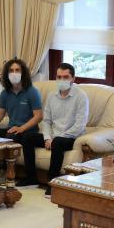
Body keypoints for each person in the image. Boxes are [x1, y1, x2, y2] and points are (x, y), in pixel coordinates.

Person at [26, 63, 89, 196]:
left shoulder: (81, 96)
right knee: (27, 137)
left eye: (66, 77)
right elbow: (47, 121)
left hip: (71, 137)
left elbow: (79, 126)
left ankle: (52, 183)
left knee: (59, 142)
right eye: (59, 77)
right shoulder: (51, 96)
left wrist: (55, 139)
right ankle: (31, 178)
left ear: (73, 78)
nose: (62, 80)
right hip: (53, 136)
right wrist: (47, 138)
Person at [0, 58, 43, 185]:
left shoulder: (32, 92)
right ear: (7, 74)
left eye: (17, 70)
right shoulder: (5, 93)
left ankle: (4, 170)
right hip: (11, 130)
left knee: (10, 135)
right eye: (11, 71)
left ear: (23, 73)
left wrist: (22, 128)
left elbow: (38, 116)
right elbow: (0, 113)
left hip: (28, 131)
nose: (14, 73)